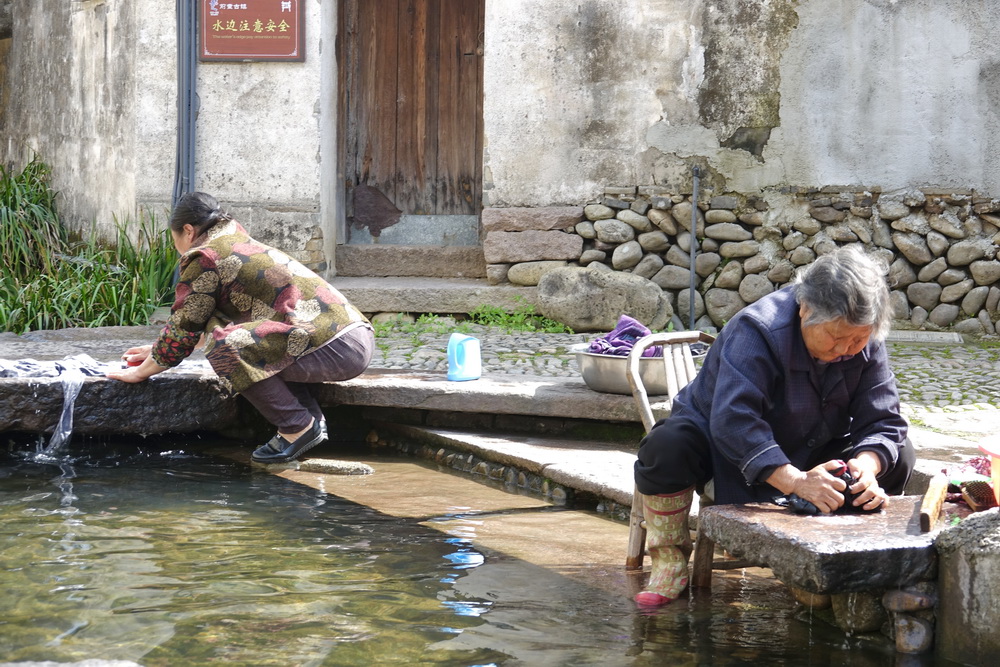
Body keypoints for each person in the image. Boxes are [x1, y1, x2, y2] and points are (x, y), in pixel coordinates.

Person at [632, 245, 915, 607]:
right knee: (667, 446)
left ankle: (832, 557)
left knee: (899, 455)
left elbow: (883, 418)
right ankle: (670, 562)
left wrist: (866, 469)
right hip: (724, 451)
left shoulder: (864, 341)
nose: (846, 349)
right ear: (805, 309)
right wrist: (796, 481)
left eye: (857, 340)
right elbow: (735, 421)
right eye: (835, 337)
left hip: (811, 448)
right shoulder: (758, 329)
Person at [107, 192, 374, 464]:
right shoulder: (235, 241)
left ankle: (296, 426)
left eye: (173, 237)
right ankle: (311, 422)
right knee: (237, 336)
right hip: (351, 338)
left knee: (226, 347)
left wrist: (140, 373)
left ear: (187, 231)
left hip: (333, 348)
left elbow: (185, 328)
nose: (175, 244)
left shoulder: (206, 256)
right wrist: (156, 351)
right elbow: (200, 322)